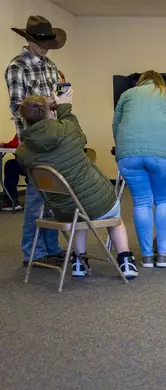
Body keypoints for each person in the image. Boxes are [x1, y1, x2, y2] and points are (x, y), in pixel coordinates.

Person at [16, 94, 138, 279]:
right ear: (50, 113)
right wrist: (64, 106)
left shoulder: (22, 151)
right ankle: (126, 261)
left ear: (24, 119)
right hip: (98, 203)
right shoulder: (67, 129)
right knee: (115, 218)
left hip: (62, 210)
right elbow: (81, 137)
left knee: (77, 215)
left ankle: (79, 263)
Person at [113, 70, 166, 269]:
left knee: (141, 203)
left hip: (128, 156)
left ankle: (147, 256)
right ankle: (163, 255)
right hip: (163, 156)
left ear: (141, 82)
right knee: (164, 200)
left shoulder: (127, 95)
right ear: (160, 82)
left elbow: (116, 127)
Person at [5, 15, 65, 265]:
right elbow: (18, 106)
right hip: (31, 142)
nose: (46, 47)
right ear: (29, 40)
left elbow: (55, 98)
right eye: (43, 43)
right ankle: (32, 251)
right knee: (35, 197)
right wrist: (47, 102)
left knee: (51, 196)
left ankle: (50, 247)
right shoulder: (17, 67)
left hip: (52, 138)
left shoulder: (50, 65)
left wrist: (62, 100)